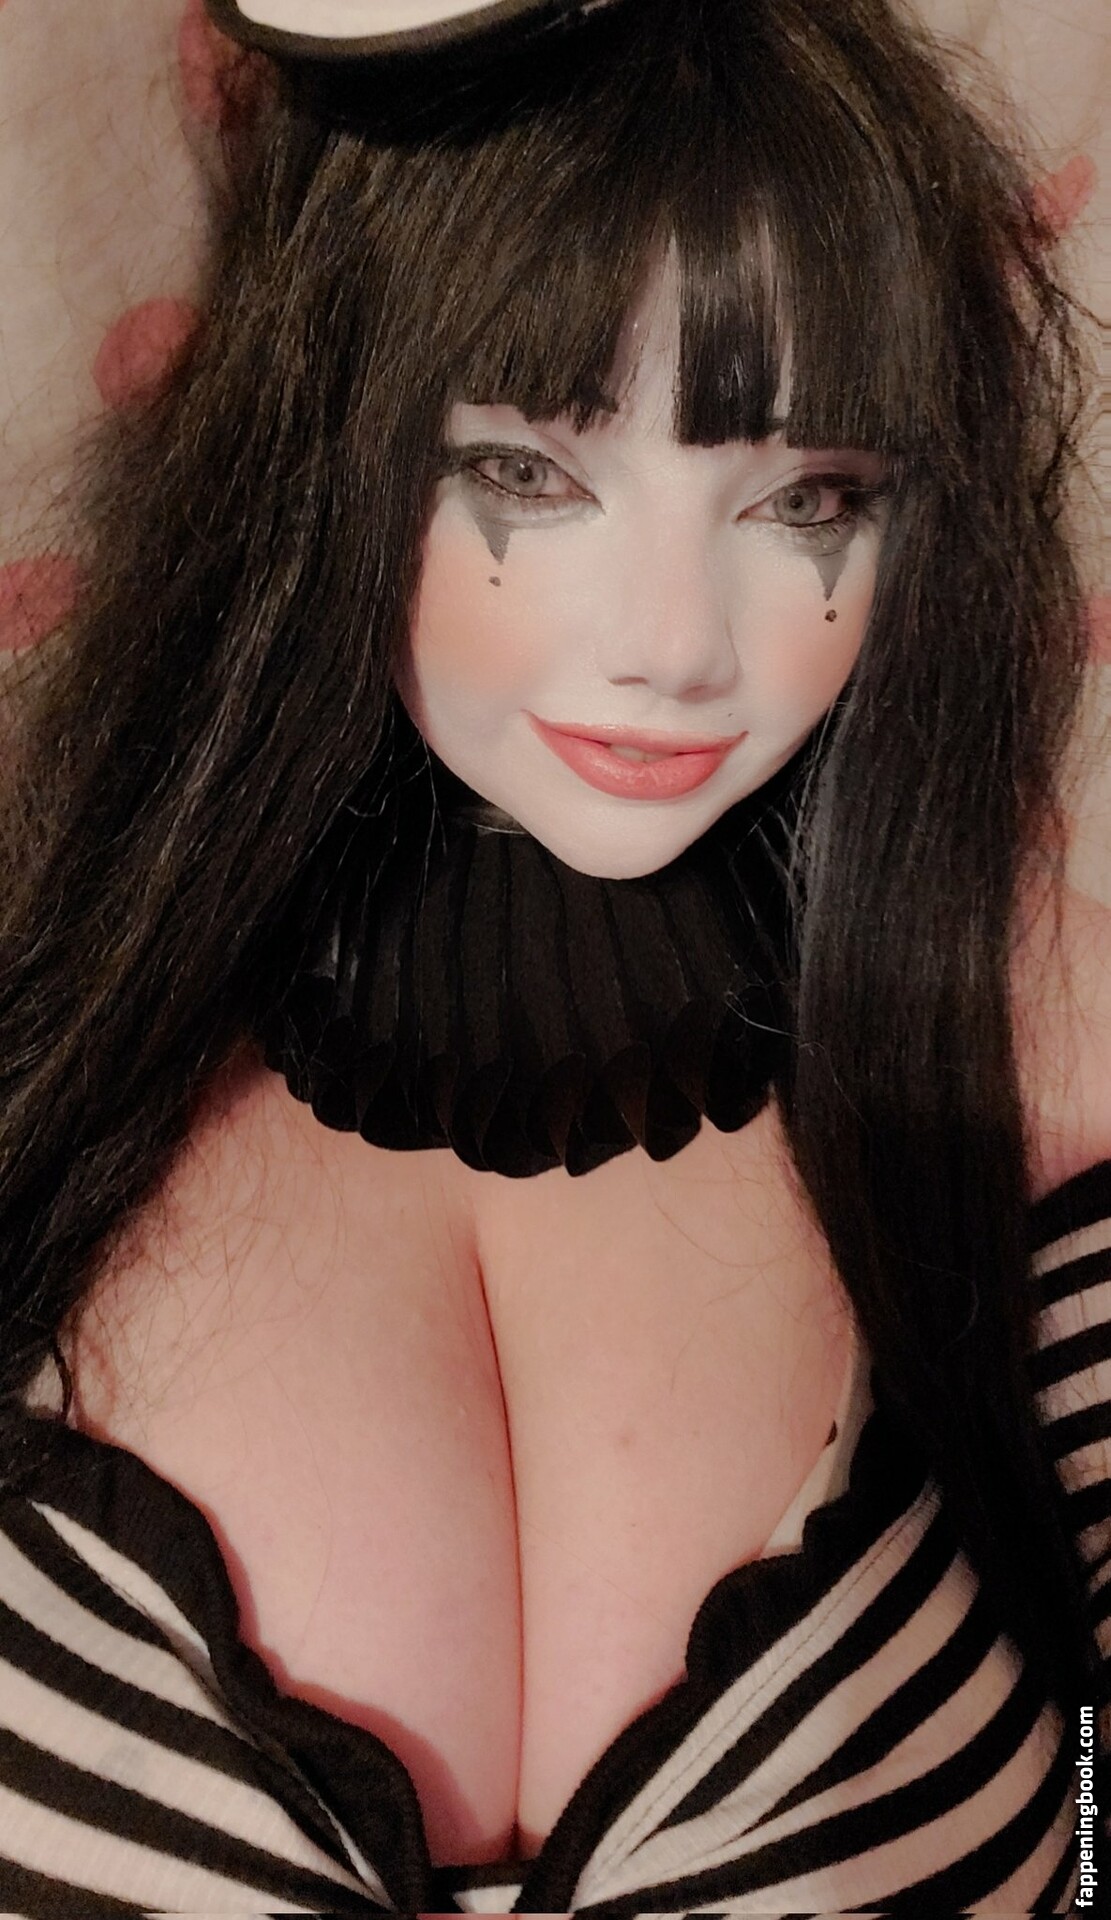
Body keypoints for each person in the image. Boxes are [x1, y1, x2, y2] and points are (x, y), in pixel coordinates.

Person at [0, 0, 1105, 1909]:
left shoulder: (1035, 1038)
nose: (677, 644)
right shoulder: (58, 1020)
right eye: (529, 471)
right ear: (323, 436)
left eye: (809, 498)